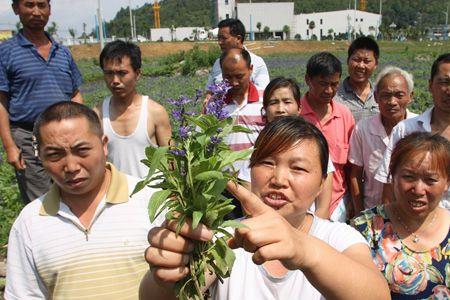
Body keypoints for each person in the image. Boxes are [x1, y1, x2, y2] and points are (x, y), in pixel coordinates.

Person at [140, 116, 390, 300]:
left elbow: (377, 295)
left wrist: (302, 249)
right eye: (267, 163)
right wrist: (165, 275)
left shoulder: (338, 237)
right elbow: (154, 296)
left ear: (322, 184)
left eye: (298, 168)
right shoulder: (222, 237)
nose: (279, 179)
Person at [5, 102, 162, 299]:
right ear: (40, 157)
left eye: (82, 150)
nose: (71, 166)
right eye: (55, 155)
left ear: (104, 145)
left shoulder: (150, 199)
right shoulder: (29, 222)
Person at [0, 0, 83, 203]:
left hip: (66, 136)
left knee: (73, 194)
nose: (36, 12)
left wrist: (83, 130)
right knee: (41, 201)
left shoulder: (62, 52)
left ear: (49, 10)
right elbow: (1, 101)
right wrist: (10, 146)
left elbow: (75, 95)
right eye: (29, 5)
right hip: (29, 138)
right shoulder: (6, 51)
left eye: (41, 5)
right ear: (16, 9)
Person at [352, 132, 450, 299]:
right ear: (392, 175)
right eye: (408, 177)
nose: (418, 190)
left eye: (430, 180)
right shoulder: (362, 229)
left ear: (447, 182)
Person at [238, 76, 334, 219]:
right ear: (264, 110)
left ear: (299, 108)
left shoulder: (313, 149)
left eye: (287, 102)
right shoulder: (252, 154)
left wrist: (309, 235)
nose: (280, 109)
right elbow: (250, 207)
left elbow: (323, 207)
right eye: (273, 102)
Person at [375, 53, 450, 210]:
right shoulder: (406, 129)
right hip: (412, 225)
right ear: (430, 85)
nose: (448, 90)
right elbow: (389, 185)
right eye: (444, 82)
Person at [94, 40, 172, 178]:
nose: (115, 80)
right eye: (109, 73)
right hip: (116, 196)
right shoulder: (97, 114)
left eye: (122, 73)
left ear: (137, 74)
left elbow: (171, 161)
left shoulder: (155, 112)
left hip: (152, 197)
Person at [349, 66, 417, 217]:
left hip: (410, 212)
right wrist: (359, 213)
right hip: (372, 210)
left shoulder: (420, 127)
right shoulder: (363, 128)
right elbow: (355, 174)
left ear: (410, 96)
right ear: (376, 96)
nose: (392, 102)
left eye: (399, 95)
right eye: (386, 95)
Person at [300, 52, 355, 222]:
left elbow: (351, 167)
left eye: (334, 84)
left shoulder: (344, 115)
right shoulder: (296, 114)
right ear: (308, 80)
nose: (329, 90)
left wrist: (352, 202)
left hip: (338, 204)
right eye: (323, 84)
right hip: (302, 205)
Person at [206, 18, 270, 90]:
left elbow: (263, 92)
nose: (220, 42)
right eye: (219, 38)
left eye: (224, 38)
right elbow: (210, 90)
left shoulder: (257, 62)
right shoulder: (218, 63)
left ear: (238, 38)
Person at [335, 36, 379, 122]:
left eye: (367, 61)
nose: (361, 66)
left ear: (376, 64)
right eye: (356, 59)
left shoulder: (381, 93)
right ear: (348, 61)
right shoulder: (334, 96)